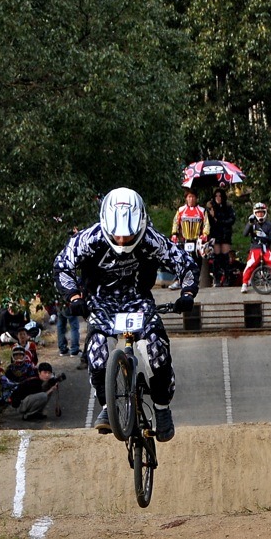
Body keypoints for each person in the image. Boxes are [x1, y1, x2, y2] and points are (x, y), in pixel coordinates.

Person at [53, 187, 198, 441]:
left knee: (156, 350)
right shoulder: (89, 239)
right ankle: (109, 406)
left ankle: (163, 408)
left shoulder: (151, 239)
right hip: (101, 300)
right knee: (97, 353)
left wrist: (187, 294)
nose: (122, 242)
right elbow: (62, 265)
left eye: (128, 237)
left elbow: (185, 263)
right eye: (117, 236)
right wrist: (75, 297)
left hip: (138, 299)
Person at [240, 202, 271, 293]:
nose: (260, 214)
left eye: (262, 212)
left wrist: (264, 237)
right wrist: (249, 224)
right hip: (255, 248)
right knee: (250, 264)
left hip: (265, 248)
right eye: (258, 213)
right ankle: (244, 283)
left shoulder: (269, 225)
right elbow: (244, 234)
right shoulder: (252, 224)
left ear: (265, 213)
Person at [170, 189, 210, 289]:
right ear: (186, 198)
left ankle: (195, 281)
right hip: (184, 240)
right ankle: (178, 281)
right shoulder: (181, 210)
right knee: (181, 260)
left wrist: (205, 234)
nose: (191, 199)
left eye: (193, 197)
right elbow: (176, 222)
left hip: (197, 240)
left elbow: (206, 224)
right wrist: (174, 234)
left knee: (197, 261)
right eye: (189, 197)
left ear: (196, 198)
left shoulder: (201, 210)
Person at [206, 188, 236, 286]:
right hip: (215, 234)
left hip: (225, 234)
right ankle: (217, 278)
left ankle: (227, 277)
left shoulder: (228, 207)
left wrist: (219, 220)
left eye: (220, 196)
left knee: (225, 256)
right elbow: (209, 222)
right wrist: (211, 215)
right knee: (216, 257)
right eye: (216, 196)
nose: (218, 198)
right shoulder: (211, 208)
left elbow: (231, 220)